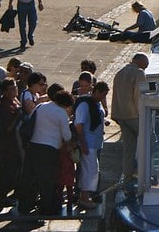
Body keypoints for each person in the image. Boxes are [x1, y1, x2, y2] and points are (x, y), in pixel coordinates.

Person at [17, 89, 73, 215]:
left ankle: (25, 206)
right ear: (66, 104)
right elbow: (67, 135)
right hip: (49, 150)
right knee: (47, 180)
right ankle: (46, 208)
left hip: (33, 146)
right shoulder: (61, 113)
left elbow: (30, 119)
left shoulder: (41, 106)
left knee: (29, 177)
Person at [112, 53, 149, 179]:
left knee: (129, 149)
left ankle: (127, 177)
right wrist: (143, 115)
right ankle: (143, 172)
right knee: (151, 140)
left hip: (121, 115)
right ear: (140, 62)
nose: (145, 69)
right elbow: (139, 96)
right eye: (145, 66)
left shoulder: (119, 73)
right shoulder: (139, 73)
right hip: (134, 116)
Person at [74, 80, 109, 209]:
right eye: (103, 94)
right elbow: (79, 125)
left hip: (94, 141)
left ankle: (85, 196)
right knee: (91, 170)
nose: (104, 97)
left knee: (91, 170)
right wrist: (83, 143)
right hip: (88, 142)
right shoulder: (85, 105)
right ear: (96, 91)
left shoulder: (96, 103)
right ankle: (84, 197)